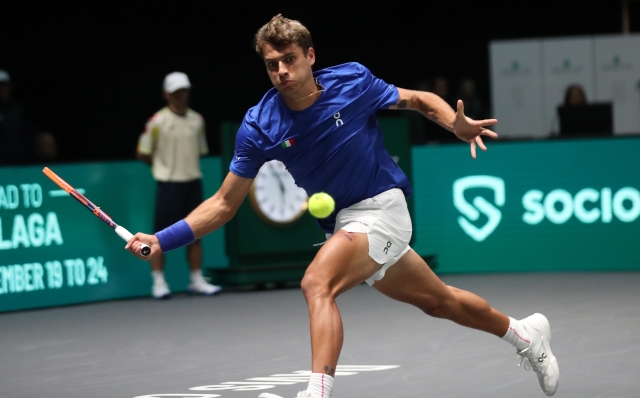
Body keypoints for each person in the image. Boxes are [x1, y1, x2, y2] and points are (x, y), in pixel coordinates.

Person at [126, 15, 559, 397]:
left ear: (310, 56)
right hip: (345, 225)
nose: (281, 71)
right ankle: (523, 334)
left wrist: (455, 124)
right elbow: (223, 204)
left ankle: (317, 393)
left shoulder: (351, 81)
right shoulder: (259, 124)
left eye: (289, 59)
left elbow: (418, 100)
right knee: (440, 302)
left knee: (317, 283)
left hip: (384, 208)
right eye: (271, 64)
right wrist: (164, 240)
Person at [136, 71, 222, 299]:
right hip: (168, 185)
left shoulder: (197, 120)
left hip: (192, 182)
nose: (180, 95)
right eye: (175, 92)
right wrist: (161, 166)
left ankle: (196, 280)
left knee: (195, 233)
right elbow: (142, 152)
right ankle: (159, 283)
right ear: (167, 94)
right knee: (159, 236)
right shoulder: (157, 122)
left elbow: (200, 151)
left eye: (183, 91)